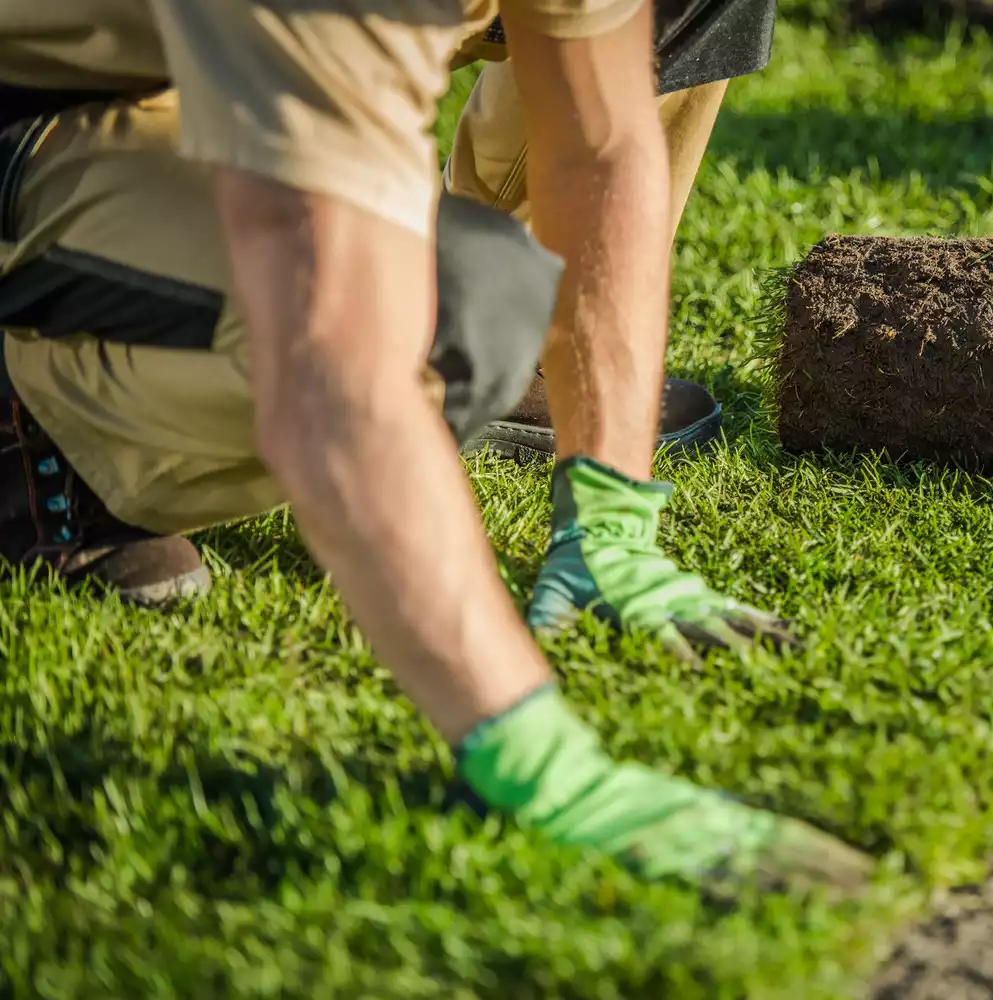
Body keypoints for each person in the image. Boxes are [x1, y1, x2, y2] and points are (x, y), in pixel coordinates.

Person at [0, 1, 871, 893]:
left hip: (200, 68)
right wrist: (532, 755)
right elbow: (334, 350)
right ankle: (35, 433)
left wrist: (609, 523)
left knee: (453, 297)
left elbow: (600, 146)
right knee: (455, 303)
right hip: (50, 113)